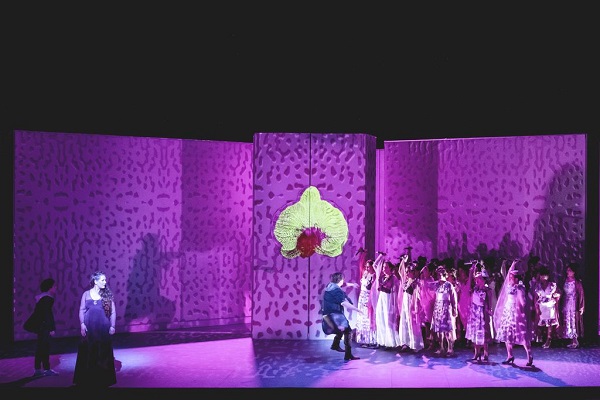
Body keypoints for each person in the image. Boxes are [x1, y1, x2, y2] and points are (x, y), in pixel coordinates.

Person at [73, 271, 117, 387]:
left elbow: (112, 312)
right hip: (89, 327)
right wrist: (82, 324)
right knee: (88, 351)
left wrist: (112, 326)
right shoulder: (86, 294)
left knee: (103, 351)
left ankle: (103, 379)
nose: (105, 282)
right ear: (95, 281)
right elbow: (82, 310)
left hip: (103, 327)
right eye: (102, 280)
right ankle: (87, 378)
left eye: (105, 280)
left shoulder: (106, 294)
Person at [494, 259, 534, 367]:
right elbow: (507, 275)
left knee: (522, 334)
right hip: (508, 312)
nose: (510, 278)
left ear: (516, 279)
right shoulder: (508, 286)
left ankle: (529, 355)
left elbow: (523, 303)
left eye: (512, 277)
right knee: (507, 334)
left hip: (516, 314)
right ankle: (510, 355)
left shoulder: (519, 288)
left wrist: (520, 306)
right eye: (510, 277)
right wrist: (513, 264)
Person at [322, 271, 362, 361]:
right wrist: (356, 309)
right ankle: (348, 355)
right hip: (334, 316)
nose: (343, 281)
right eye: (343, 279)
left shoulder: (330, 286)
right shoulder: (337, 291)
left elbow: (343, 284)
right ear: (340, 280)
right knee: (348, 331)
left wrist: (352, 284)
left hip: (327, 315)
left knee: (341, 329)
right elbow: (344, 303)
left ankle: (335, 345)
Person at [464, 263, 493, 362]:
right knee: (475, 332)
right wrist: (472, 269)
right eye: (476, 279)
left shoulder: (487, 290)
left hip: (482, 313)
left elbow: (489, 302)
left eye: (479, 279)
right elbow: (470, 281)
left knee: (483, 333)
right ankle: (476, 353)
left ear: (483, 280)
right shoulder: (474, 289)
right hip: (474, 313)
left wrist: (489, 310)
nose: (477, 280)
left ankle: (485, 353)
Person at [31, 278, 58, 377]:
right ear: (50, 287)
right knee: (44, 347)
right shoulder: (47, 298)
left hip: (41, 326)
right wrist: (51, 328)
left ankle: (38, 369)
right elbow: (47, 314)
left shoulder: (41, 297)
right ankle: (45, 369)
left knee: (41, 347)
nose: (56, 288)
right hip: (45, 327)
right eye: (54, 286)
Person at [429, 265, 458, 356]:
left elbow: (453, 297)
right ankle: (441, 347)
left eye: (440, 274)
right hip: (438, 308)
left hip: (446, 308)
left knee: (448, 329)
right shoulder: (436, 285)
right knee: (439, 329)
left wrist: (454, 308)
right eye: (437, 274)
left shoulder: (449, 285)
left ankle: (450, 348)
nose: (438, 276)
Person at [354, 250, 378, 347]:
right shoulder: (364, 273)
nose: (367, 268)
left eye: (368, 266)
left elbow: (373, 288)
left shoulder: (374, 276)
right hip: (362, 297)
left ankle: (370, 340)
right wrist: (362, 255)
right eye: (366, 266)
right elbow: (360, 265)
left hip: (369, 298)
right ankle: (363, 339)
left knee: (368, 318)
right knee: (362, 318)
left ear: (373, 267)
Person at [533, 265, 560, 349]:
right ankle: (541, 338)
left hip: (550, 306)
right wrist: (536, 308)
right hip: (542, 306)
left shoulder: (552, 285)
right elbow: (535, 298)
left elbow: (557, 294)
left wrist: (556, 296)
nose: (543, 277)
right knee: (541, 323)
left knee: (550, 323)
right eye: (542, 275)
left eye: (545, 275)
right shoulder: (537, 286)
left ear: (548, 276)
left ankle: (549, 339)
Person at [559, 262, 585, 349]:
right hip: (566, 303)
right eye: (567, 270)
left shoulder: (577, 282)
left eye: (569, 270)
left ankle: (575, 340)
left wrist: (581, 306)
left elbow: (581, 294)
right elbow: (561, 291)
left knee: (573, 321)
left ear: (573, 272)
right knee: (567, 320)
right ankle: (571, 340)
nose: (567, 272)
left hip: (574, 303)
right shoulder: (564, 280)